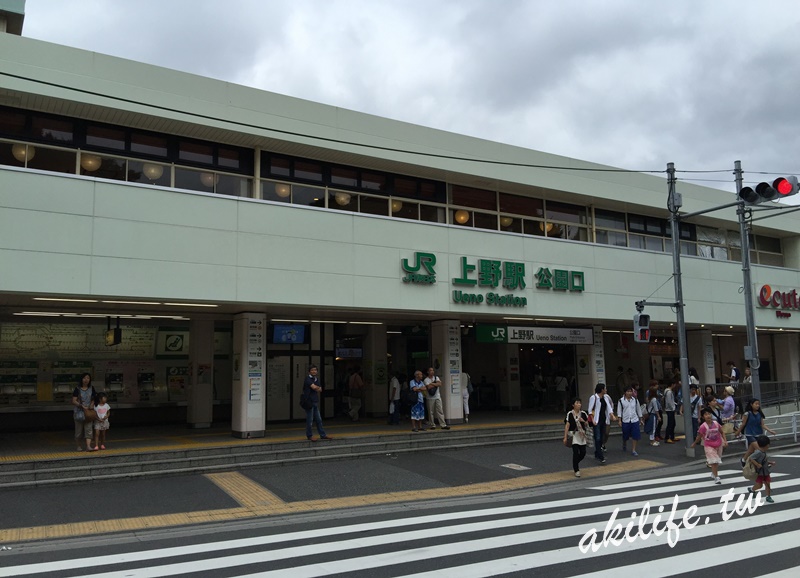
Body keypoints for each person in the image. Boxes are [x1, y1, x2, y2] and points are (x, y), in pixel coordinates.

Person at [691, 408, 728, 484]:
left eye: (709, 414)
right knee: (714, 461)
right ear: (703, 417)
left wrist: (725, 440)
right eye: (705, 414)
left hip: (718, 444)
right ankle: (717, 477)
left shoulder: (716, 424)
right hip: (709, 445)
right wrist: (694, 443)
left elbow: (722, 432)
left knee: (717, 461)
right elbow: (699, 436)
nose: (708, 416)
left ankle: (713, 473)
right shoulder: (703, 426)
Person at [303, 365, 333, 442]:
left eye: (315, 370)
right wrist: (316, 387)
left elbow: (320, 389)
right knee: (310, 420)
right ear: (309, 371)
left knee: (319, 420)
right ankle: (309, 435)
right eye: (312, 370)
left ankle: (322, 435)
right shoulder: (307, 379)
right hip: (309, 402)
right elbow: (315, 388)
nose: (314, 371)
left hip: (315, 401)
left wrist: (316, 387)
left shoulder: (316, 379)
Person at [586, 383, 615, 463]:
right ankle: (600, 455)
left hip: (604, 419)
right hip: (596, 420)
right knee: (598, 437)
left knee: (602, 436)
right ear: (602, 389)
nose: (606, 390)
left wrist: (612, 415)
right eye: (605, 388)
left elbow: (609, 407)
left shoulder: (605, 397)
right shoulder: (594, 397)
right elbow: (590, 410)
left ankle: (597, 452)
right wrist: (592, 419)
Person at [563, 397, 589, 478]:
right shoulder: (570, 414)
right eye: (577, 403)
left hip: (582, 435)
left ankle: (575, 463)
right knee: (575, 452)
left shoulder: (584, 413)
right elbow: (567, 425)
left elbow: (587, 424)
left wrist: (583, 421)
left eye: (580, 403)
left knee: (583, 452)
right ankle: (576, 469)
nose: (579, 405)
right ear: (573, 405)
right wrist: (565, 437)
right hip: (574, 435)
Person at [746, 435, 775, 503]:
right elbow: (751, 458)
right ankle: (752, 490)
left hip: (765, 471)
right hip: (760, 472)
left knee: (767, 483)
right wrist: (757, 464)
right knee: (759, 485)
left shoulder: (763, 452)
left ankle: (768, 496)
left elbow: (763, 461)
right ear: (767, 445)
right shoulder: (758, 452)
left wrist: (770, 462)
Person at [71, 372, 96, 452]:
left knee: (89, 429)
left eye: (88, 378)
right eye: (84, 378)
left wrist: (91, 405)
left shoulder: (92, 388)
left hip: (88, 412)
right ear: (81, 379)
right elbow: (73, 401)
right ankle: (78, 446)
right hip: (79, 412)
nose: (86, 380)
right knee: (78, 431)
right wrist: (81, 406)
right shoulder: (77, 389)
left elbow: (93, 399)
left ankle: (88, 446)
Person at [616, 385, 643, 456]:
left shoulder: (635, 400)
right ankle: (624, 443)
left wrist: (640, 419)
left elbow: (638, 409)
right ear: (625, 392)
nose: (630, 393)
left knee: (635, 435)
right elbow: (619, 411)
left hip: (634, 419)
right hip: (626, 420)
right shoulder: (621, 401)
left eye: (631, 391)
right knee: (625, 435)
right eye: (628, 391)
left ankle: (633, 449)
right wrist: (619, 420)